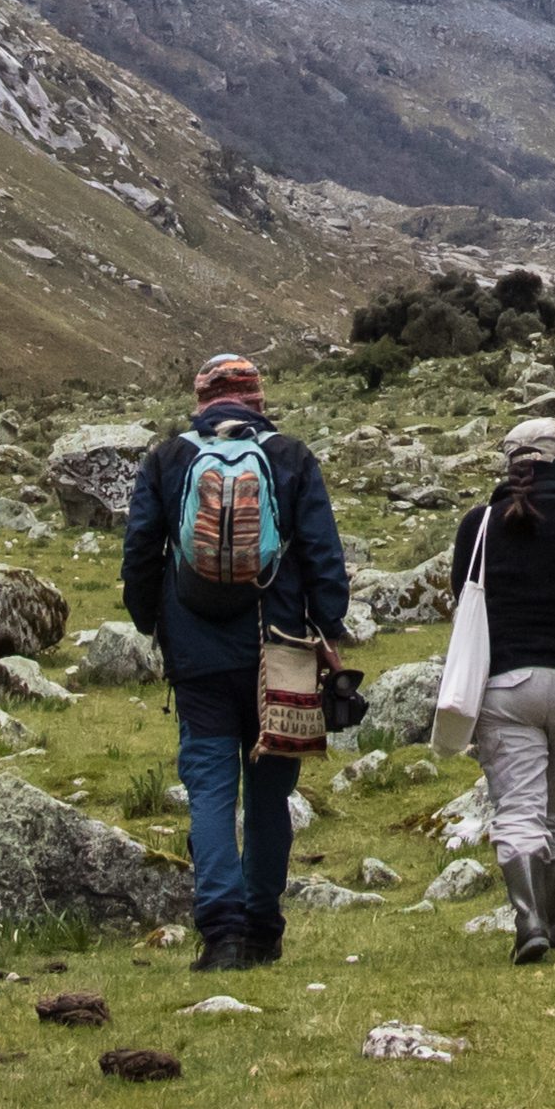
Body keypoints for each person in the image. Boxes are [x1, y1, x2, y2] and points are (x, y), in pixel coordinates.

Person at [121, 352, 351, 974]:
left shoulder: (169, 459)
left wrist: (151, 621)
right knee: (271, 794)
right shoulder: (292, 456)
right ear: (256, 398)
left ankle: (220, 932)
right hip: (283, 650)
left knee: (211, 789)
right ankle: (263, 928)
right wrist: (328, 625)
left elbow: (142, 548)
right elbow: (324, 554)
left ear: (202, 401)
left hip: (197, 655)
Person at [446, 415, 555, 965]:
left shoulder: (480, 524)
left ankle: (527, 920)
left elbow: (461, 595)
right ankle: (553, 919)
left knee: (518, 809)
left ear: (510, 463)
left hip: (506, 684)